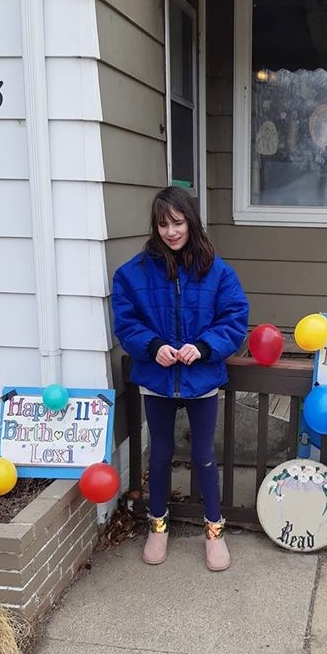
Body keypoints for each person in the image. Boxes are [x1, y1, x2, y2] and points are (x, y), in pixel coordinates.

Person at [111, 187, 249, 572]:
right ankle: (158, 526)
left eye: (178, 222)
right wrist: (152, 345)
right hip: (156, 379)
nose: (171, 231)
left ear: (190, 220)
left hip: (201, 379)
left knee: (204, 456)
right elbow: (125, 322)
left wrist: (204, 347)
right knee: (159, 453)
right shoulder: (132, 273)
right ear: (154, 227)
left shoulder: (216, 270)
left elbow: (235, 317)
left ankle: (214, 531)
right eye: (163, 224)